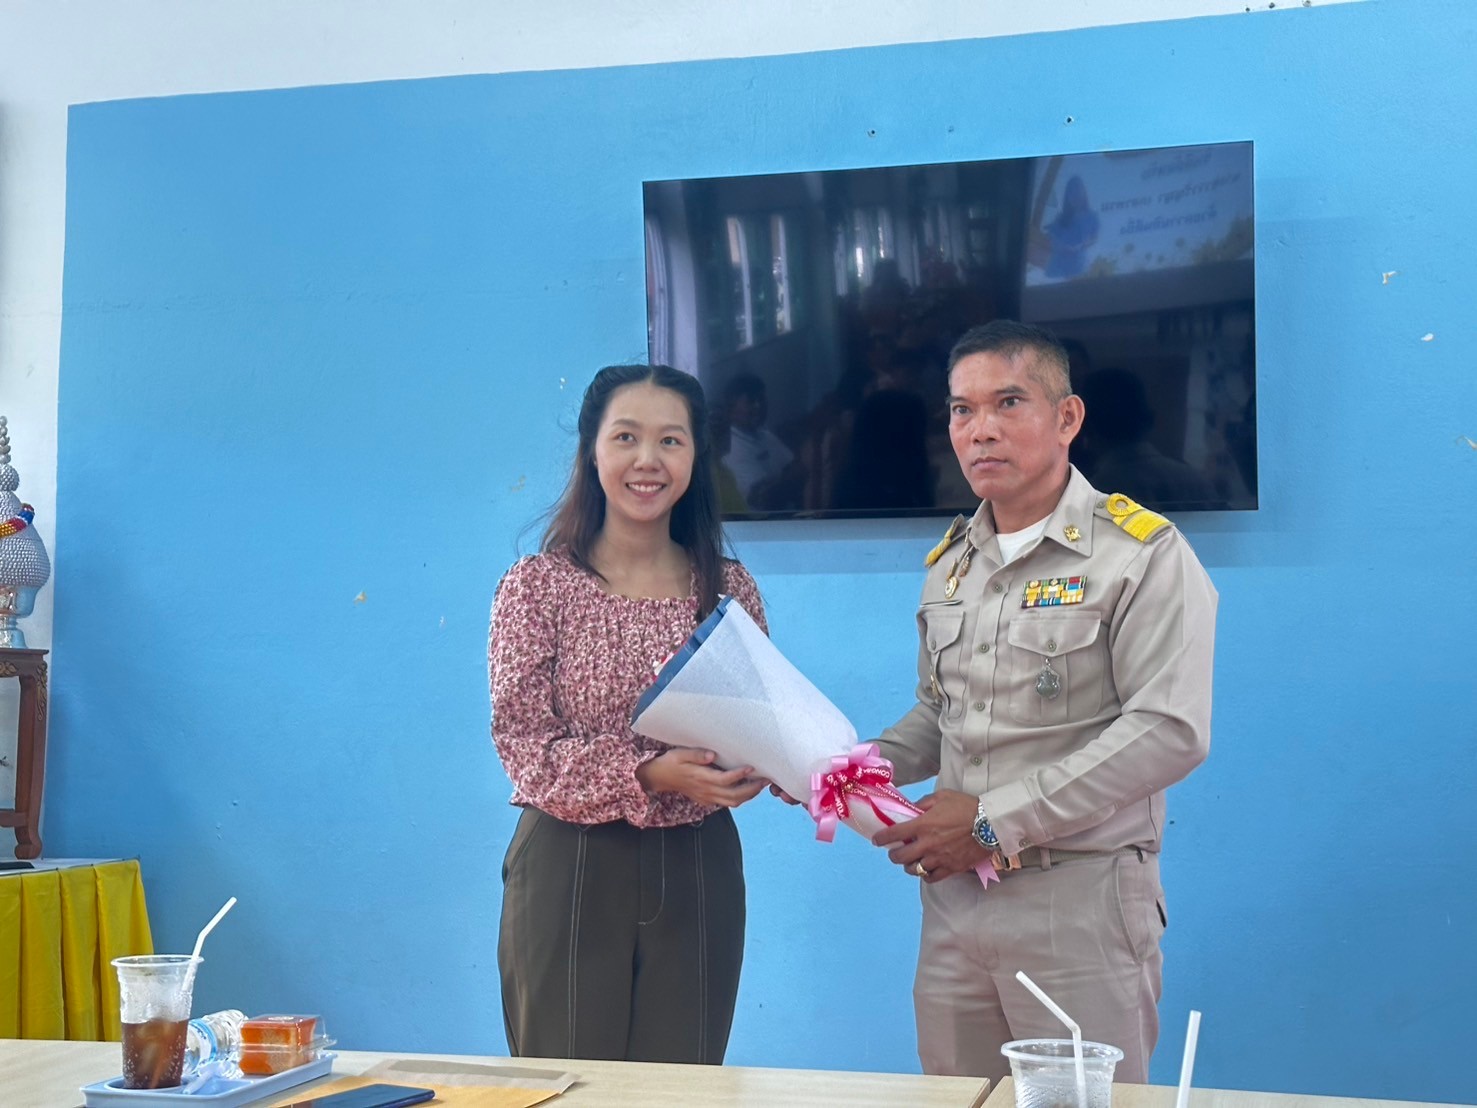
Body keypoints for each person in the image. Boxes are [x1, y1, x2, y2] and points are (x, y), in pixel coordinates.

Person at [868, 320, 1218, 1085]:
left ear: (1066, 418)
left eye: (1007, 402)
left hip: (1077, 900)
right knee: (958, 1098)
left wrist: (991, 822)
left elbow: (1168, 731)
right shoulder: (952, 565)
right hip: (955, 902)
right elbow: (940, 712)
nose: (980, 430)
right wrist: (847, 766)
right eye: (961, 410)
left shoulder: (1139, 554)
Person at [489, 364, 768, 1064]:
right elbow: (525, 747)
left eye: (671, 440)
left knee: (681, 1088)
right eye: (626, 438)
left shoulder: (728, 591)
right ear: (592, 450)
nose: (648, 460)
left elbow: (760, 727)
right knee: (568, 1085)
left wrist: (781, 768)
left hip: (699, 863)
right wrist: (648, 774)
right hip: (571, 860)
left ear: (696, 457)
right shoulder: (537, 587)